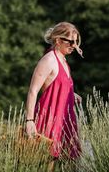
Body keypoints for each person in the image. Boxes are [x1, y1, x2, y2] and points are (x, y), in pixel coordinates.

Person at [25, 22, 83, 159]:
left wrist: (70, 94)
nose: (74, 46)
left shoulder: (63, 61)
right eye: (70, 41)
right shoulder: (49, 60)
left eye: (75, 42)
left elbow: (55, 85)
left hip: (66, 121)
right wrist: (29, 120)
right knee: (48, 167)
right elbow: (33, 91)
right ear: (58, 40)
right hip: (50, 120)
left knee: (71, 165)